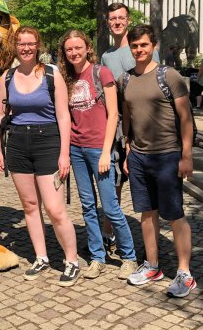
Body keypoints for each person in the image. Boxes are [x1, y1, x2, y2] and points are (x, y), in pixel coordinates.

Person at [0, 26, 80, 287]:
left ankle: (72, 260)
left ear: (38, 45)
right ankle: (41, 257)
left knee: (55, 209)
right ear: (15, 47)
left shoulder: (52, 74)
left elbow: (63, 116)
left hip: (48, 142)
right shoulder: (7, 77)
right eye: (21, 44)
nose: (26, 48)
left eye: (31, 43)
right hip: (18, 143)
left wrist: (64, 154)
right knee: (30, 206)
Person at [120, 24, 196, 298]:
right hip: (138, 157)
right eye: (135, 46)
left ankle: (185, 272)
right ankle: (152, 266)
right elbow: (128, 116)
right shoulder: (125, 79)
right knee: (147, 213)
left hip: (167, 155)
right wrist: (128, 149)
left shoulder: (169, 75)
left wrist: (186, 155)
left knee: (175, 215)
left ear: (154, 46)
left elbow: (185, 118)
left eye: (144, 45)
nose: (139, 50)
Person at [58, 30, 137, 280]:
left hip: (99, 149)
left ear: (87, 48)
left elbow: (113, 115)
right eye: (69, 49)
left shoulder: (101, 73)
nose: (74, 52)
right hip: (76, 149)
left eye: (78, 47)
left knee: (111, 207)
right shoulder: (66, 78)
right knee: (88, 207)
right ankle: (97, 257)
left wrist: (105, 153)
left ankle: (129, 257)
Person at [99, 3, 159, 251]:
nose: (116, 22)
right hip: (117, 126)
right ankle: (108, 233)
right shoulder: (107, 56)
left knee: (145, 182)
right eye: (112, 18)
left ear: (128, 20)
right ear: (108, 22)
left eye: (120, 18)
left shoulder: (142, 48)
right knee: (113, 181)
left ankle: (152, 246)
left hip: (144, 125)